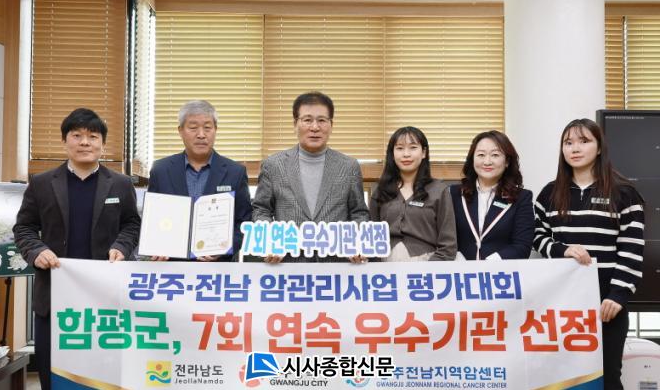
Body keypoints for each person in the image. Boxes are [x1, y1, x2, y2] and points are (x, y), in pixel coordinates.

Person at [13, 108, 141, 390]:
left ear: (103, 144)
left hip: (105, 299)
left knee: (105, 376)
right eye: (77, 135)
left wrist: (121, 246)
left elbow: (132, 224)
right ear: (65, 141)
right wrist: (37, 250)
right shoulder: (42, 183)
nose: (85, 142)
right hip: (54, 297)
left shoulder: (120, 184)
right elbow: (24, 228)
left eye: (93, 136)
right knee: (54, 375)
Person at [534, 118, 644, 390]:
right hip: (561, 305)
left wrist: (617, 295)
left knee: (607, 379)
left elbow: (632, 248)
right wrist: (561, 249)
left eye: (584, 141)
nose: (575, 148)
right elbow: (536, 236)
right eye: (568, 142)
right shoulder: (549, 193)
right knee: (560, 380)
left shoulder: (624, 193)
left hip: (606, 305)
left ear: (599, 147)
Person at [252, 91, 369, 263]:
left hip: (336, 264)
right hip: (287, 263)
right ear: (295, 124)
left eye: (322, 120)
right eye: (307, 120)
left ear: (331, 125)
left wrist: (356, 244)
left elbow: (358, 213)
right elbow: (261, 210)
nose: (315, 127)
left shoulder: (349, 166)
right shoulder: (274, 165)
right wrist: (272, 243)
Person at [147, 100, 252, 261]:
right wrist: (156, 246)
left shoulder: (235, 172)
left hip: (217, 268)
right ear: (180, 131)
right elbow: (152, 221)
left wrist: (224, 248)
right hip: (171, 265)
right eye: (193, 128)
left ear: (215, 130)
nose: (201, 134)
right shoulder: (161, 170)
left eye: (207, 128)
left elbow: (244, 223)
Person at [369, 126, 456, 261]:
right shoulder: (380, 191)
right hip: (385, 266)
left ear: (423, 152)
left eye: (413, 147)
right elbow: (371, 241)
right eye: (400, 148)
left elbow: (448, 247)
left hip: (426, 265)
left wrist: (427, 270)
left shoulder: (439, 190)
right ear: (392, 154)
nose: (406, 154)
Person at [450, 130, 534, 260]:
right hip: (459, 270)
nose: (487, 161)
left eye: (495, 155)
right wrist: (456, 258)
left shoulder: (522, 198)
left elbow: (522, 246)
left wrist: (490, 264)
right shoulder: (453, 194)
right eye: (481, 155)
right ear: (472, 159)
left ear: (507, 161)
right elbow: (442, 238)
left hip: (501, 271)